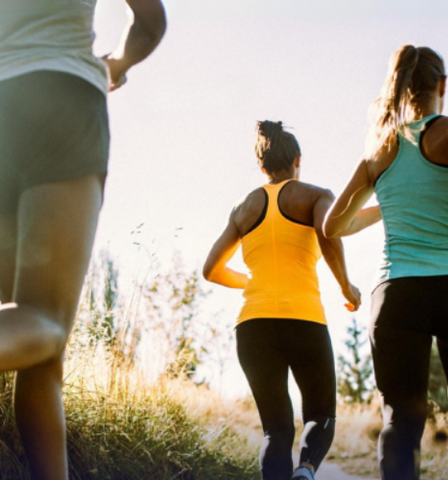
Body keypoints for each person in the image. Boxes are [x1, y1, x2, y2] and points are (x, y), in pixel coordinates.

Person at [0, 1, 166, 479]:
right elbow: (150, 22)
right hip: (62, 95)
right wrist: (117, 63)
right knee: (46, 321)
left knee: (36, 346)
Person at [323, 45, 448, 480]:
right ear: (442, 85)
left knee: (400, 419)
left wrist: (389, 206)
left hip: (396, 293)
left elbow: (333, 226)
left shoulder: (380, 152)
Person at [204, 121, 377, 480]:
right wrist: (347, 287)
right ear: (298, 159)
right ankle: (307, 470)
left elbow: (211, 269)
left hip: (252, 325)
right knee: (321, 415)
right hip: (304, 321)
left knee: (276, 430)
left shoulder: (243, 207)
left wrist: (251, 280)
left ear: (261, 165)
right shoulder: (314, 195)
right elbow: (331, 235)